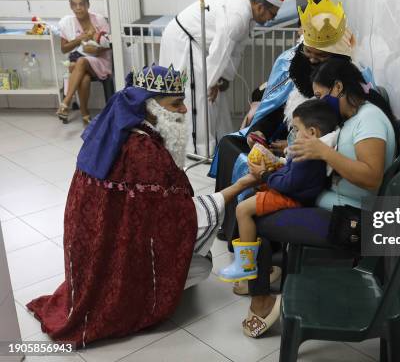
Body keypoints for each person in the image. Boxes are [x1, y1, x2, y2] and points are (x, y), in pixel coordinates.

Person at [27, 65, 249, 347]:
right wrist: (238, 188)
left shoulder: (112, 132)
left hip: (92, 258)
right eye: (175, 103)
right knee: (202, 267)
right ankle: (135, 299)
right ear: (150, 108)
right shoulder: (143, 151)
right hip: (120, 257)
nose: (183, 110)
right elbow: (178, 219)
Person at [240, 58, 397, 338]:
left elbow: (372, 177)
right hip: (335, 206)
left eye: (322, 95)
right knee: (263, 201)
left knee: (258, 220)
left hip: (352, 222)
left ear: (338, 87)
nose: (320, 102)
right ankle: (266, 277)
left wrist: (322, 152)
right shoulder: (353, 118)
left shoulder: (369, 119)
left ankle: (261, 297)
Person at [209, 0, 373, 243]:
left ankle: (254, 241)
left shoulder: (341, 94)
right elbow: (274, 106)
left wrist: (291, 146)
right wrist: (260, 131)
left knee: (247, 166)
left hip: (301, 157)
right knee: (230, 144)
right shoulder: (291, 63)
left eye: (320, 57)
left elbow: (326, 136)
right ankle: (229, 227)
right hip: (285, 136)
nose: (311, 61)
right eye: (308, 53)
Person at [217, 99, 340, 283]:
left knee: (243, 209)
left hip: (291, 198)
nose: (294, 134)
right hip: (293, 193)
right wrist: (275, 165)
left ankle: (245, 265)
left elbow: (288, 184)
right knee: (251, 197)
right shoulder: (311, 151)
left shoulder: (307, 156)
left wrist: (265, 174)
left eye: (297, 129)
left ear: (312, 132)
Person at [159, 0, 284, 155]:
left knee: (213, 97)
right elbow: (220, 50)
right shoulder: (238, 15)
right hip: (183, 39)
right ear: (260, 7)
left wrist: (223, 79)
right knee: (199, 95)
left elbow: (236, 49)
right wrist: (212, 82)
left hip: (197, 43)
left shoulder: (248, 15)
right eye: (273, 14)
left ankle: (218, 142)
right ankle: (197, 149)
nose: (273, 19)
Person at [56, 0, 113, 124]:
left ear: (88, 5)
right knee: (84, 78)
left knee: (80, 62)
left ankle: (65, 103)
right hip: (81, 64)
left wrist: (96, 50)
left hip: (100, 61)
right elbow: (64, 49)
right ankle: (85, 115)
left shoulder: (98, 20)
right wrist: (80, 39)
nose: (78, 8)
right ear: (71, 7)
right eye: (74, 5)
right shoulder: (68, 23)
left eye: (81, 4)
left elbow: (109, 43)